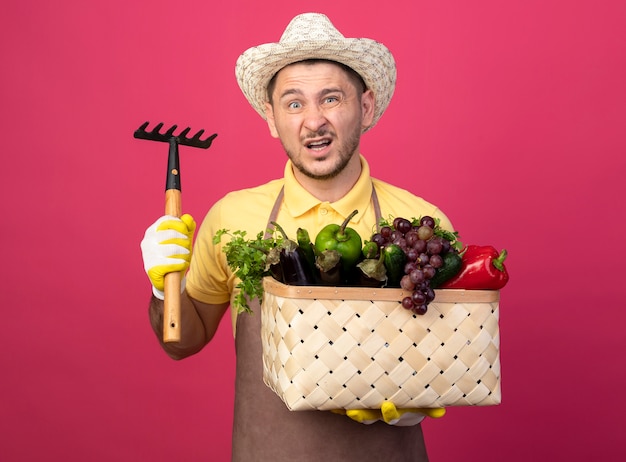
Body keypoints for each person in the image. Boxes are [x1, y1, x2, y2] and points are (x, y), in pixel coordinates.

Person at [141, 12, 454, 461]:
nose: (313, 121)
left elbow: (451, 352)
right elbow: (182, 342)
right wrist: (161, 285)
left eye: (331, 99)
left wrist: (424, 394)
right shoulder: (234, 217)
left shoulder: (421, 224)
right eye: (293, 103)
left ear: (364, 107)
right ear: (270, 118)